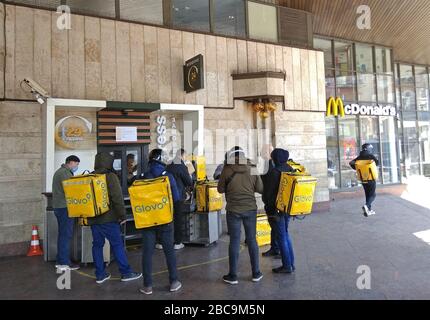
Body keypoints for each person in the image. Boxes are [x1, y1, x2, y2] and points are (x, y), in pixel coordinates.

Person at [87, 152, 142, 284]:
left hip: (94, 218)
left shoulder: (91, 176)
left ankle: (100, 274)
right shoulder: (110, 176)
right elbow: (117, 198)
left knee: (97, 245)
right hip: (109, 219)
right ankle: (126, 272)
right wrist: (122, 215)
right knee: (117, 244)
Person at [217, 147, 264, 285]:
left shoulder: (227, 169)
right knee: (252, 240)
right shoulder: (253, 167)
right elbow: (260, 189)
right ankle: (256, 273)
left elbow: (220, 189)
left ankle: (233, 276)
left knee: (235, 241)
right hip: (250, 209)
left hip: (233, 210)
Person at [139, 149, 182, 295]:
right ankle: (174, 282)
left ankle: (147, 286)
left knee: (147, 253)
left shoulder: (142, 177)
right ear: (161, 159)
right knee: (169, 251)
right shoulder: (168, 176)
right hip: (165, 220)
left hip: (148, 221)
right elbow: (176, 198)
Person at [263, 148, 296, 274]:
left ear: (276, 159)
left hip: (275, 210)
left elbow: (269, 194)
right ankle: (291, 263)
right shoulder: (290, 169)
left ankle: (287, 265)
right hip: (286, 209)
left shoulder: (274, 172)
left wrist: (267, 204)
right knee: (285, 235)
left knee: (282, 237)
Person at [52, 155, 81, 271]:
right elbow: (71, 189)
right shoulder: (64, 173)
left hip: (60, 207)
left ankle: (60, 260)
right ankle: (64, 262)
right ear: (71, 162)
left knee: (63, 234)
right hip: (64, 208)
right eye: (77, 164)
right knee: (65, 235)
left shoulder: (61, 171)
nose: (77, 166)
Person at [167, 149, 194, 250]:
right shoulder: (182, 167)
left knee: (168, 220)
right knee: (178, 219)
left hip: (167, 197)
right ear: (182, 155)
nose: (186, 158)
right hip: (177, 197)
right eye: (185, 156)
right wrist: (190, 175)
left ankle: (165, 241)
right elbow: (189, 182)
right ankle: (178, 242)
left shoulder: (169, 165)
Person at [260, 144, 281, 259]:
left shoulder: (269, 165)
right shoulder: (268, 164)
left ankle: (279, 250)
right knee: (274, 226)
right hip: (270, 201)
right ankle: (274, 248)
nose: (261, 153)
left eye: (263, 151)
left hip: (272, 202)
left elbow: (268, 185)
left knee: (277, 227)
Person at [349, 143, 379, 217]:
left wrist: (357, 167)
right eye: (370, 148)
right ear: (368, 148)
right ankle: (366, 206)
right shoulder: (370, 156)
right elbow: (377, 163)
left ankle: (368, 211)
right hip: (371, 178)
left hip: (363, 179)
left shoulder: (359, 157)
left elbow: (351, 163)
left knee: (367, 194)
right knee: (373, 195)